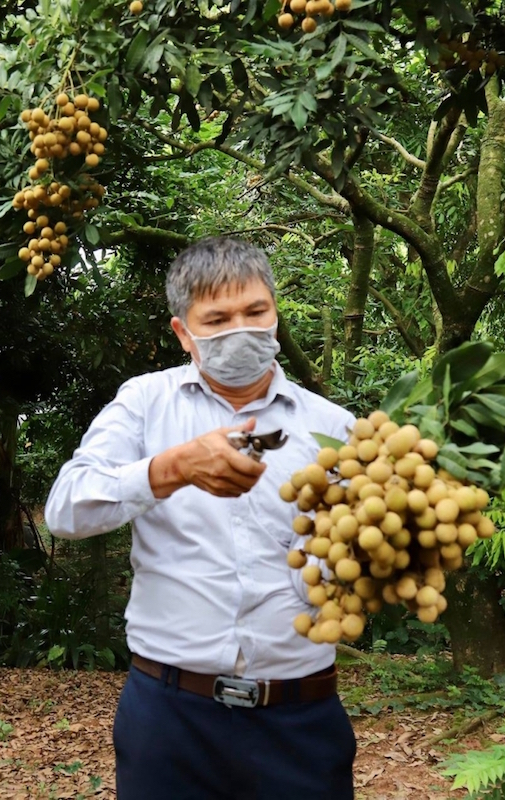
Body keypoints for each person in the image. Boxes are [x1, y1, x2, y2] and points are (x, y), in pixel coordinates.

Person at [45, 237, 358, 798]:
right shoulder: (144, 403)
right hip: (170, 716)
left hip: (301, 718)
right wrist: (172, 468)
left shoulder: (333, 427)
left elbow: (368, 553)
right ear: (183, 332)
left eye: (256, 311)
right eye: (217, 318)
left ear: (275, 313)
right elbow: (67, 507)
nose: (242, 327)